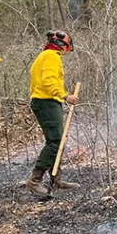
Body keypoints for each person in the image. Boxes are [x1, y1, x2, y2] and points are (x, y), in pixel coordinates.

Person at [25, 29, 79, 194]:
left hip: (47, 101)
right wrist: (64, 96)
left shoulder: (44, 56)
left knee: (57, 140)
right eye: (65, 48)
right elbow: (48, 80)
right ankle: (35, 180)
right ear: (62, 46)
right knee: (55, 141)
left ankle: (56, 179)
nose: (65, 52)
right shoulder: (51, 56)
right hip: (46, 102)